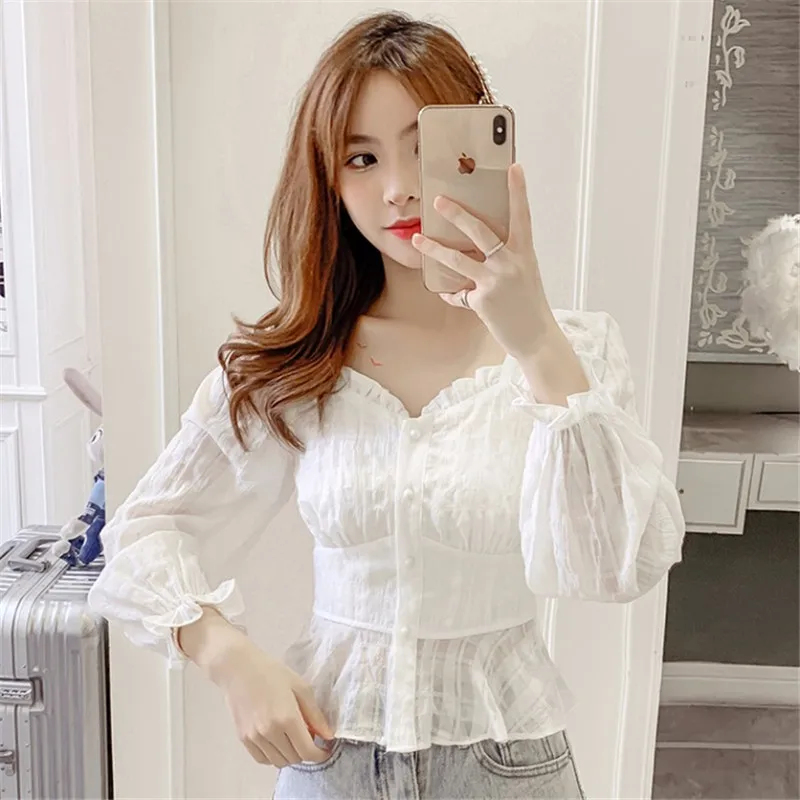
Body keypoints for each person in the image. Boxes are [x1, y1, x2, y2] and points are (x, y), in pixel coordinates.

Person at [87, 10, 686, 800]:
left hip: (509, 768)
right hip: (331, 758)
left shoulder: (575, 351)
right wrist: (227, 655)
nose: (398, 187)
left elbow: (616, 566)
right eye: (361, 158)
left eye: (422, 148)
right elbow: (141, 532)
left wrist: (536, 339)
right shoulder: (296, 362)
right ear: (329, 181)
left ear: (480, 154)